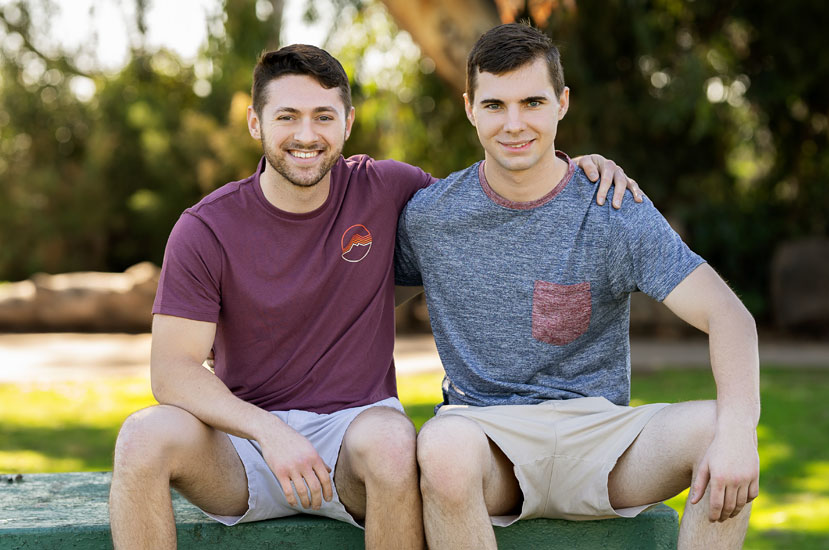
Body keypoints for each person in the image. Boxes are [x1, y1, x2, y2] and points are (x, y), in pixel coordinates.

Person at [108, 43, 639, 549]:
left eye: (323, 116)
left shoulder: (385, 187)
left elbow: (494, 199)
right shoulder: (206, 227)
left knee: (393, 446)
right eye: (287, 116)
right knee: (140, 438)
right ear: (255, 122)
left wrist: (573, 171)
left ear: (348, 122)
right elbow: (172, 371)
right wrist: (269, 432)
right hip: (244, 442)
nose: (306, 134)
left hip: (356, 435)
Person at [395, 23, 760, 550]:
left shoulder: (612, 208)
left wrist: (738, 434)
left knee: (721, 428)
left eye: (533, 102)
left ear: (562, 103)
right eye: (495, 105)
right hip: (487, 440)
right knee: (441, 448)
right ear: (470, 108)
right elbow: (360, 303)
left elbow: (729, 316)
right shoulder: (432, 218)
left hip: (603, 441)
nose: (514, 124)